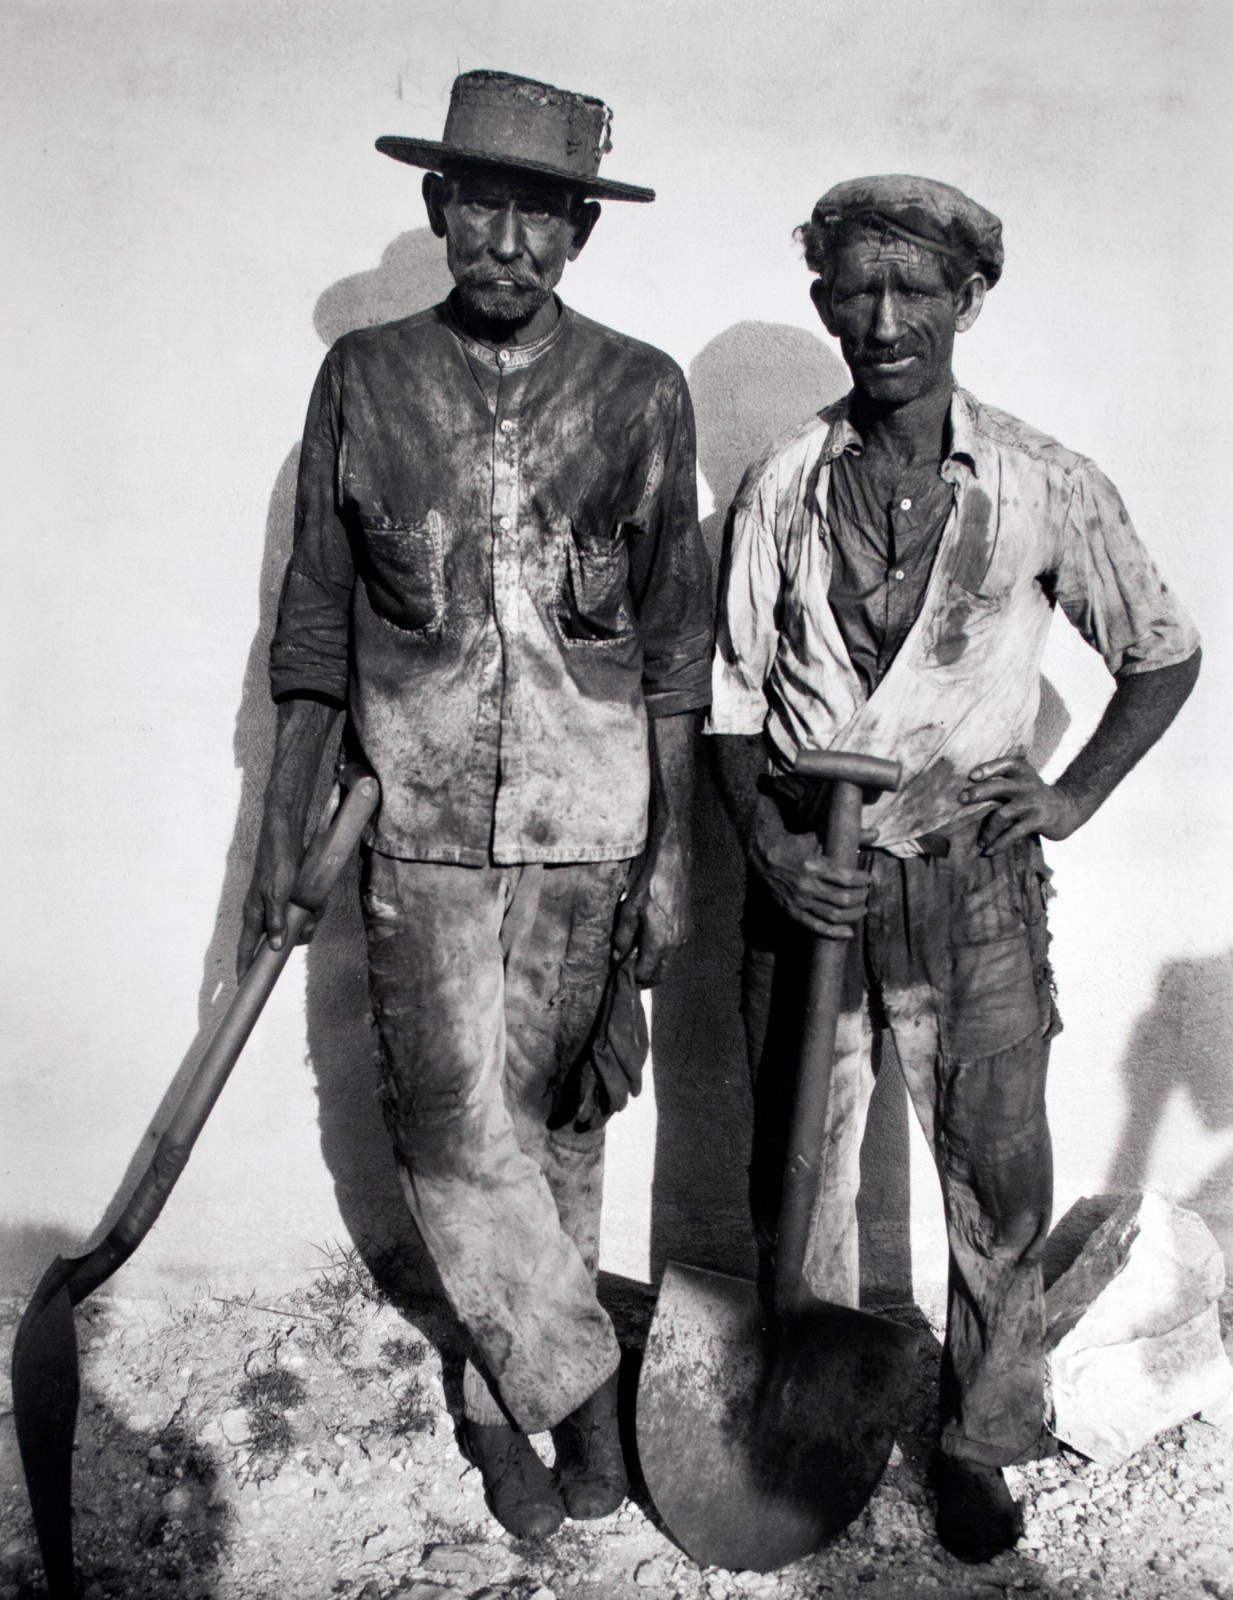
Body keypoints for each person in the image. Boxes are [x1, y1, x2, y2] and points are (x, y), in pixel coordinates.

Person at [238, 70, 712, 1539]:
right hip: (420, 827)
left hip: (593, 821)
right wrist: (280, 838)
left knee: (562, 1120)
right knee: (451, 1129)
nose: (505, 243)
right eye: (479, 206)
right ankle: (577, 1385)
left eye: (539, 215)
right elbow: (317, 621)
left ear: (578, 230)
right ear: (439, 208)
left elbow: (676, 642)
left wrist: (675, 852)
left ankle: (509, 1404)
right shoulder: (365, 380)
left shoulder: (640, 391)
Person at [707, 175, 1200, 1563]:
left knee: (994, 1175)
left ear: (966, 304)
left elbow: (1159, 651)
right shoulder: (781, 488)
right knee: (789, 1163)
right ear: (823, 304)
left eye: (912, 291)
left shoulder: (1040, 482)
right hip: (807, 883)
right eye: (853, 289)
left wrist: (1068, 794)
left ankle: (979, 1432)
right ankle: (799, 1410)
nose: (882, 320)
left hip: (966, 889)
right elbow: (733, 705)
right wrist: (770, 846)